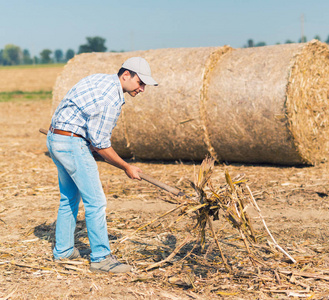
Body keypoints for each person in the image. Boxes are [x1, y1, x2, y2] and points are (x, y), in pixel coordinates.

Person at [46, 57, 158, 273]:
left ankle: (64, 251)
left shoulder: (99, 79)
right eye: (140, 82)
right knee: (96, 202)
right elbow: (100, 145)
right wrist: (127, 167)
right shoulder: (110, 99)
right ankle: (101, 258)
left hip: (55, 138)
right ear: (126, 75)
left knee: (68, 197)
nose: (142, 89)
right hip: (72, 142)